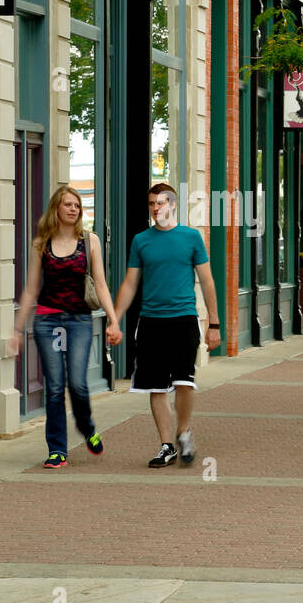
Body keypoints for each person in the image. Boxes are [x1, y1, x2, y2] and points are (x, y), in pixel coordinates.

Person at [8, 185, 121, 469]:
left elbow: (101, 284)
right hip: (47, 321)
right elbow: (32, 289)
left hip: (79, 320)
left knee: (78, 384)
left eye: (77, 206)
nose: (73, 209)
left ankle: (87, 428)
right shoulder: (41, 243)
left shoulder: (89, 240)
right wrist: (17, 330)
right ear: (56, 208)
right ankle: (57, 450)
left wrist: (113, 319)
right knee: (55, 387)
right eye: (68, 204)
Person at [113, 181, 220, 466]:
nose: (156, 208)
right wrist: (114, 319)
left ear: (173, 205)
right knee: (156, 387)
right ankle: (166, 445)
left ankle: (184, 431)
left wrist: (214, 324)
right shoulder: (141, 241)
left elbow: (207, 281)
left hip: (184, 319)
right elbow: (130, 283)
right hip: (150, 322)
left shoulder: (191, 237)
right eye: (151, 204)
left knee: (184, 381)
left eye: (161, 202)